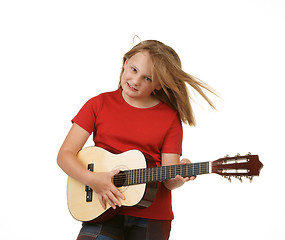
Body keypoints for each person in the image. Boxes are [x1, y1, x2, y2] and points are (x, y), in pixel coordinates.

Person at [57, 39, 216, 240]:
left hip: (152, 215)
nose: (136, 81)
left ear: (159, 84)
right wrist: (93, 180)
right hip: (101, 206)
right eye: (133, 70)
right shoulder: (98, 104)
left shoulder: (169, 118)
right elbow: (65, 155)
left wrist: (179, 177)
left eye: (147, 78)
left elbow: (168, 182)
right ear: (125, 62)